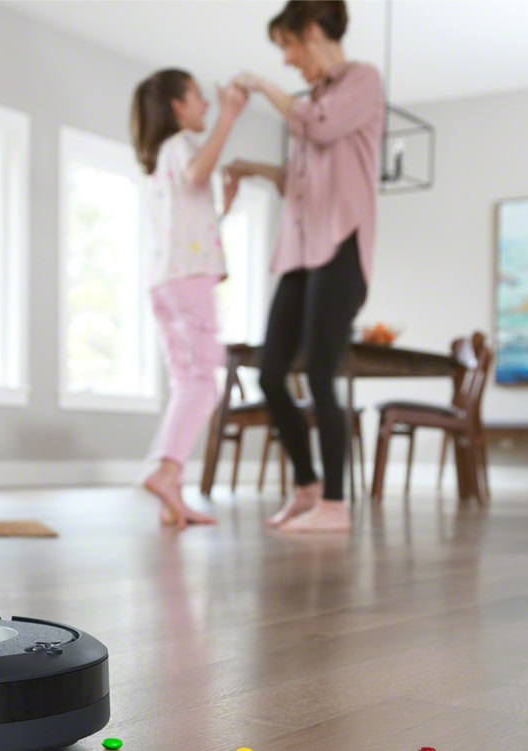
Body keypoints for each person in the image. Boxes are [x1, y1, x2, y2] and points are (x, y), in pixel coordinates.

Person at [223, 0, 383, 533]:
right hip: (300, 251)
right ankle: (308, 487)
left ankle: (335, 506)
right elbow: (301, 178)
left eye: (288, 45)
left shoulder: (361, 82)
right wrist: (254, 169)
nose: (289, 60)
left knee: (318, 372)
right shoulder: (309, 102)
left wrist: (265, 86)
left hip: (340, 250)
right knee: (270, 376)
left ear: (311, 30)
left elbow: (321, 128)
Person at [130, 69, 248, 529]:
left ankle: (171, 500)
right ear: (177, 105)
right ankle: (167, 469)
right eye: (200, 98)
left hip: (165, 281)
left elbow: (192, 212)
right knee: (203, 383)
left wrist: (228, 205)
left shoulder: (160, 158)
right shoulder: (181, 145)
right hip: (188, 279)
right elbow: (200, 173)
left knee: (186, 381)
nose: (207, 106)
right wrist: (231, 116)